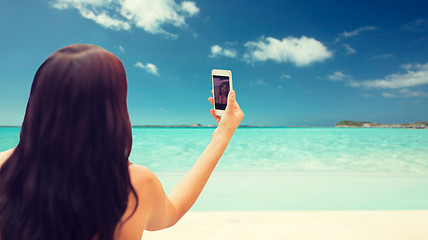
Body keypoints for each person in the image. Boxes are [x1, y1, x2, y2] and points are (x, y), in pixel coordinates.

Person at [0, 44, 244, 240]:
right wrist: (223, 134)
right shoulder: (133, 184)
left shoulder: (4, 167)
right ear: (113, 110)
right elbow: (172, 212)